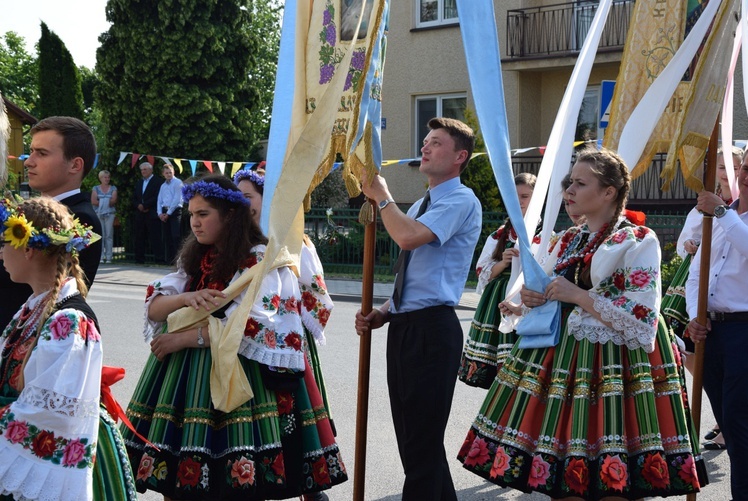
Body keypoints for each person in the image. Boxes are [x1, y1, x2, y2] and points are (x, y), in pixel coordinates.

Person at [458, 148, 706, 499]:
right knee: (563, 472)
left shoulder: (637, 238)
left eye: (579, 183)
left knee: (611, 476)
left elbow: (642, 313)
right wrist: (531, 299)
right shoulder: (569, 238)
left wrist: (578, 295)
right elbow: (548, 287)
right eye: (568, 182)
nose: (569, 190)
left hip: (617, 365)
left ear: (608, 192)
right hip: (563, 361)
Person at [121, 175, 346, 500]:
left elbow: (256, 326)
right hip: (185, 380)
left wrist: (183, 339)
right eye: (192, 215)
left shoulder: (263, 259)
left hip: (240, 381)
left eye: (203, 214)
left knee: (233, 483)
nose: (195, 223)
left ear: (229, 216)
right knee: (177, 482)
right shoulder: (198, 256)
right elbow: (155, 306)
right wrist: (185, 299)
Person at [355, 117, 482, 500]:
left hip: (432, 329)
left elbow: (409, 238)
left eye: (436, 143)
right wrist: (386, 310)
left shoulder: (461, 199)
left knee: (421, 444)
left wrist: (383, 198)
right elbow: (419, 273)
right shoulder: (428, 199)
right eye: (425, 140)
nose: (425, 147)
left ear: (460, 156)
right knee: (415, 443)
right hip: (407, 325)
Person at [0, 197, 136, 501]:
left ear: (28, 248)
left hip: (46, 457)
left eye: (4, 240)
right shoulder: (34, 308)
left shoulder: (69, 321)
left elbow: (48, 413)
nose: (0, 251)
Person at [235, 167, 336, 501]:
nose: (242, 203)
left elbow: (316, 292)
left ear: (268, 201)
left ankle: (309, 485)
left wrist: (290, 320)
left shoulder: (295, 240)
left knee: (294, 417)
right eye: (239, 196)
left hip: (287, 347)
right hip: (244, 344)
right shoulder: (236, 239)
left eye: (248, 196)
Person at [663, 146, 741, 451]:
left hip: (727, 296)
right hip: (695, 286)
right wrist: (693, 244)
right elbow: (684, 244)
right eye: (720, 165)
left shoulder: (738, 208)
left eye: (732, 167)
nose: (724, 171)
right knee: (692, 350)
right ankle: (722, 412)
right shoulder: (700, 208)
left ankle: (726, 421)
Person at [686, 148, 748, 501]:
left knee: (740, 426)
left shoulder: (726, 217)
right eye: (747, 168)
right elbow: (697, 270)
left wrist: (723, 213)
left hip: (746, 329)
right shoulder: (721, 218)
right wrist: (697, 315)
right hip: (714, 330)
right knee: (728, 420)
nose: (746, 176)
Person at [0, 116, 103, 331]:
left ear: (75, 165)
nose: (28, 161)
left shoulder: (80, 219)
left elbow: (27, 289)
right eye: (31, 151)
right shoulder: (28, 212)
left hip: (30, 338)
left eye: (42, 153)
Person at [458, 172, 539, 388]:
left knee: (525, 367)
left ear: (537, 198)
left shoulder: (546, 234)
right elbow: (483, 272)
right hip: (497, 298)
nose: (519, 201)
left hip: (527, 298)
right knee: (497, 368)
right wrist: (503, 263)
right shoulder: (499, 235)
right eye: (514, 196)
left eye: (525, 196)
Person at [131, 162, 163, 264]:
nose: (143, 172)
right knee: (139, 237)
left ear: (151, 170)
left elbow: (158, 196)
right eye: (142, 170)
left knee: (155, 237)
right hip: (140, 214)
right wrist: (139, 205)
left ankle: (159, 259)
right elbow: (134, 197)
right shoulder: (139, 182)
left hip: (152, 213)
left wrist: (146, 206)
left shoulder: (158, 181)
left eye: (145, 169)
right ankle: (139, 259)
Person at [156, 164, 183, 264]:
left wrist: (168, 213)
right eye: (166, 173)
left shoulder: (178, 183)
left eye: (170, 172)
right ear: (163, 174)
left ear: (173, 172)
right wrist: (159, 213)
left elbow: (176, 199)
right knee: (167, 237)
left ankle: (178, 259)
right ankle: (169, 259)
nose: (168, 174)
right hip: (164, 211)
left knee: (175, 236)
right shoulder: (163, 186)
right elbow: (159, 200)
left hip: (175, 211)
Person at [92, 169, 118, 263]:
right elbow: (93, 201)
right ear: (100, 178)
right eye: (105, 177)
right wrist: (106, 200)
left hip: (110, 213)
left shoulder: (113, 188)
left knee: (109, 235)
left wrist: (102, 201)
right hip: (98, 213)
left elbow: (113, 201)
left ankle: (109, 257)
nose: (107, 179)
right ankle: (100, 256)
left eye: (108, 177)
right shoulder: (96, 188)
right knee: (100, 234)